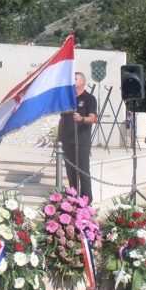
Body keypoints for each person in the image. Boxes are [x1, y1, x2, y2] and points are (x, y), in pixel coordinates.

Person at [58, 72, 97, 203]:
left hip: (81, 141)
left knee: (83, 171)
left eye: (75, 79)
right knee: (70, 171)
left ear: (82, 82)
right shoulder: (67, 99)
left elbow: (93, 118)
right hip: (67, 140)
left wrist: (81, 118)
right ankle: (73, 199)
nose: (72, 81)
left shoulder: (89, 98)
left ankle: (86, 201)